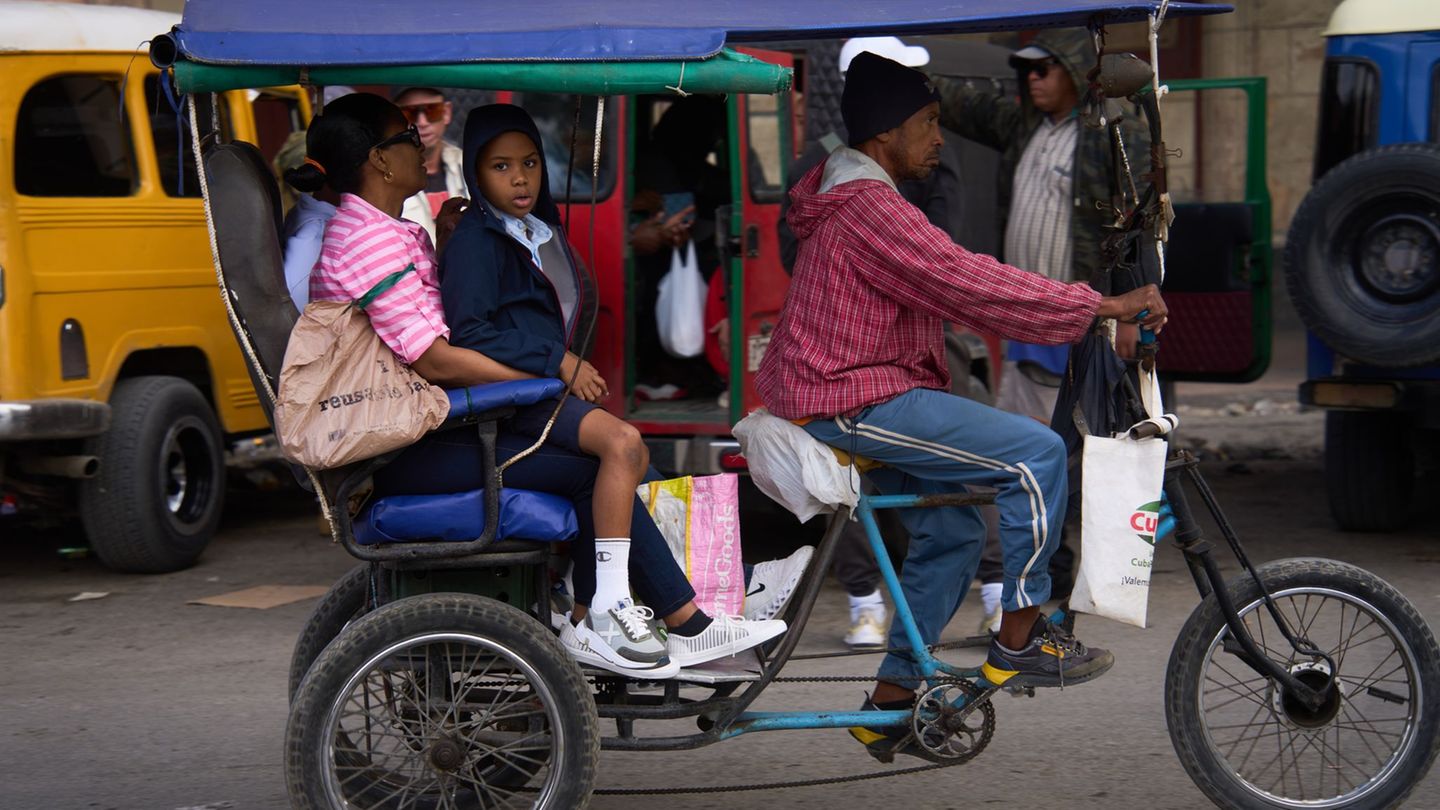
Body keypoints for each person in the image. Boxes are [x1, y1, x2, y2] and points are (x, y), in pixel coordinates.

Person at [285, 94, 795, 680]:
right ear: (379, 160)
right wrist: (543, 376)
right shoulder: (369, 239)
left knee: (616, 465)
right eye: (407, 133)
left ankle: (665, 604)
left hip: (437, 421)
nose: (420, 140)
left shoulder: (388, 230)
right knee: (607, 457)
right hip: (411, 443)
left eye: (527, 163)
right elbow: (438, 361)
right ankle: (650, 619)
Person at [754, 52, 1167, 760]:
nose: (941, 139)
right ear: (887, 134)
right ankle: (1026, 632)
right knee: (1036, 454)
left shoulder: (850, 188)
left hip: (848, 387)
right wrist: (1098, 305)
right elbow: (963, 280)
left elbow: (951, 278)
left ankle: (888, 705)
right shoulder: (868, 206)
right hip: (849, 394)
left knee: (953, 532)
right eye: (930, 124)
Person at [434, 102, 805, 673]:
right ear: (476, 174)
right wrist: (557, 361)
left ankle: (641, 606)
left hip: (542, 394)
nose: (519, 178)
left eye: (530, 163)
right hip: (515, 402)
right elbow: (472, 332)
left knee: (636, 473)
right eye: (501, 167)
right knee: (626, 446)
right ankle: (661, 617)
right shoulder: (476, 241)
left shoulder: (539, 230)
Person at [932, 29, 1152, 604]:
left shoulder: (1112, 135)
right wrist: (901, 76)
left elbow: (1134, 229)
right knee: (1037, 445)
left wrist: (1128, 315)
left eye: (1045, 69)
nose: (1033, 79)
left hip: (1090, 319)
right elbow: (963, 105)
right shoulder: (1024, 125)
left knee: (1091, 448)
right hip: (1031, 319)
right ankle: (1047, 563)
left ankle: (1090, 566)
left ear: (1075, 72)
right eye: (1026, 70)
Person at [393, 86, 466, 243]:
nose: (422, 122)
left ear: (446, 112)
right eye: (410, 113)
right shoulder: (387, 177)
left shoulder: (467, 164)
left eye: (432, 110)